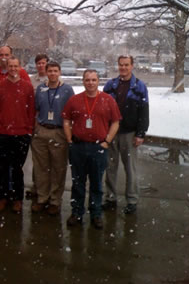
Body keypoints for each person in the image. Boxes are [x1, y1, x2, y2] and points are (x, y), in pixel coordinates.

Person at [62, 69, 121, 228]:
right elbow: (66, 119)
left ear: (98, 81)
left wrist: (107, 141)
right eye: (87, 80)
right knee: (78, 183)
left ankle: (96, 214)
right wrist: (69, 139)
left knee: (96, 184)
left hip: (98, 147)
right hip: (78, 147)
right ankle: (77, 212)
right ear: (83, 81)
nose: (90, 83)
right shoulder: (74, 100)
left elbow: (115, 122)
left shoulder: (108, 100)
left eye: (94, 80)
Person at [102, 55, 149, 214]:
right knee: (110, 168)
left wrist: (141, 133)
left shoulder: (139, 86)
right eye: (121, 65)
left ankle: (132, 200)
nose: (123, 67)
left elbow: (144, 111)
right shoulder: (110, 85)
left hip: (130, 133)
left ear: (132, 66)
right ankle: (110, 198)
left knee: (131, 169)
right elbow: (103, 109)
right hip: (111, 133)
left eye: (126, 65)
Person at [0, 45, 32, 201]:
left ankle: (17, 199)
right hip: (2, 133)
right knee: (2, 168)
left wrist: (29, 130)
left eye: (15, 66)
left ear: (20, 67)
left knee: (18, 169)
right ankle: (2, 197)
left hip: (21, 134)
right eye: (10, 66)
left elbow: (31, 110)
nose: (13, 68)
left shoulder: (27, 86)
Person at [31, 61, 74, 215]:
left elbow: (71, 113)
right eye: (50, 71)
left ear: (60, 72)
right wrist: (36, 128)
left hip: (58, 132)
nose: (53, 73)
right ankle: (42, 198)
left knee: (58, 168)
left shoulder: (67, 90)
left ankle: (55, 200)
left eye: (55, 71)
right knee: (41, 168)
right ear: (46, 72)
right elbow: (35, 109)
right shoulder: (41, 89)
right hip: (41, 131)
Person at [26, 53, 49, 200]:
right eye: (38, 63)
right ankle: (36, 186)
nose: (41, 65)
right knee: (37, 158)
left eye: (43, 63)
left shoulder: (54, 79)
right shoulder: (30, 81)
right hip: (34, 123)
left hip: (49, 123)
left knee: (50, 159)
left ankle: (48, 189)